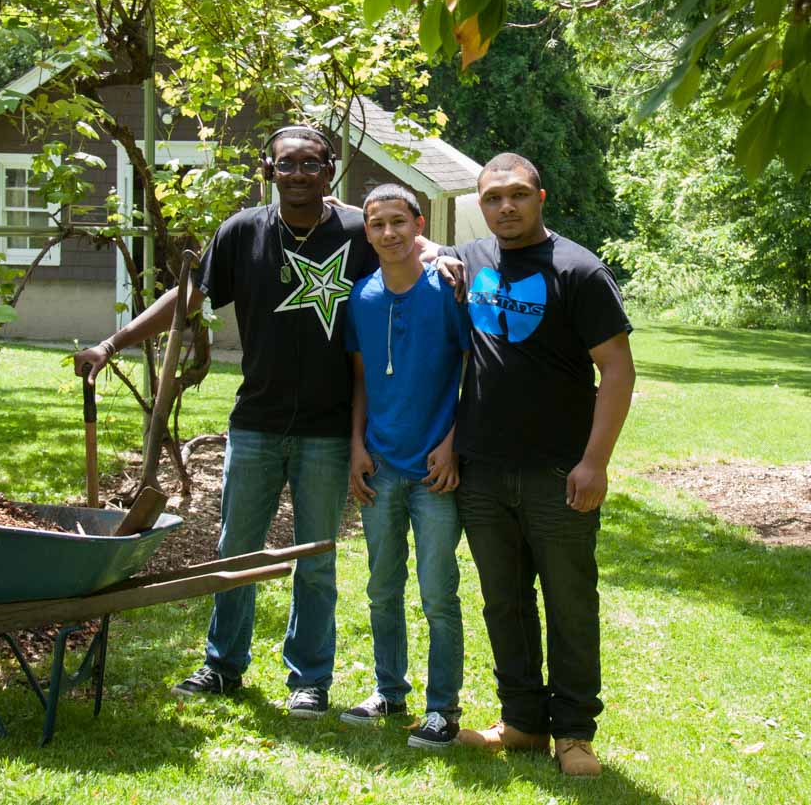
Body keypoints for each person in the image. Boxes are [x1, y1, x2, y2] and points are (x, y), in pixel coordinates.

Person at [75, 125, 382, 718]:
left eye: (311, 164)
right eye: (286, 163)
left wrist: (446, 262)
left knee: (313, 557)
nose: (298, 174)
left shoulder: (356, 232)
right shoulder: (243, 232)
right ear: (268, 169)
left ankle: (310, 678)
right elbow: (186, 299)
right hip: (257, 423)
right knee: (236, 549)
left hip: (327, 425)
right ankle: (222, 666)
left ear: (329, 171)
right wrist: (112, 343)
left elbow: (409, 255)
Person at [436, 152, 635, 777]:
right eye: (493, 198)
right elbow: (394, 232)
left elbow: (619, 370)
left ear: (540, 197)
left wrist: (594, 462)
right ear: (480, 203)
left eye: (517, 195)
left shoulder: (579, 270)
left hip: (559, 473)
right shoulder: (468, 262)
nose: (506, 207)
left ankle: (574, 731)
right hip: (483, 472)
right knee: (504, 601)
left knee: (570, 602)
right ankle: (521, 722)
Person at [340, 185, 469, 749]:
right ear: (366, 232)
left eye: (399, 222)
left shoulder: (446, 289)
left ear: (419, 224)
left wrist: (454, 441)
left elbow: (476, 369)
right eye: (377, 224)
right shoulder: (361, 297)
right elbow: (362, 378)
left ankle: (443, 708)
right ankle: (389, 689)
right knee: (382, 585)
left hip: (435, 469)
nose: (389, 233)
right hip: (381, 465)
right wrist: (356, 445)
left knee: (438, 591)